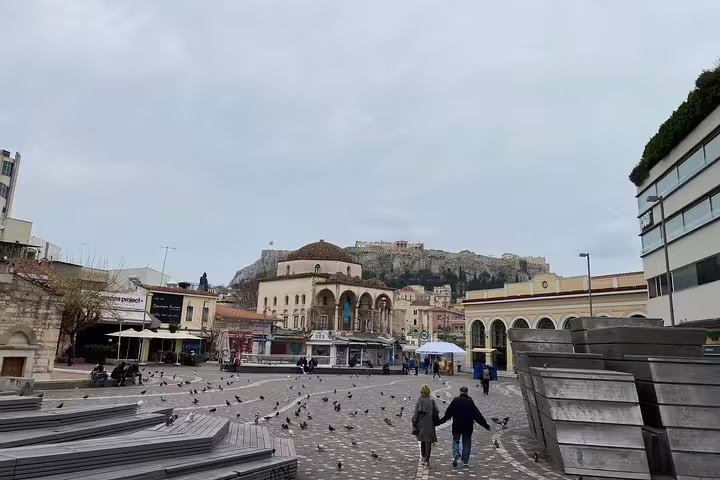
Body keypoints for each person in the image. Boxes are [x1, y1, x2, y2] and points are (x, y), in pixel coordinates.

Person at [439, 386, 491, 468]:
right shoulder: (470, 402)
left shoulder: (455, 400)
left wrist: (441, 421)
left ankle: (456, 453)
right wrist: (486, 425)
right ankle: (465, 460)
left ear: (460, 392)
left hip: (457, 425)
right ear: (467, 392)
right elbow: (477, 415)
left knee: (456, 440)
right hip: (468, 426)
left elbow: (448, 413)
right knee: (467, 442)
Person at [411, 385, 439, 467]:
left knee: (422, 440)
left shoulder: (419, 401)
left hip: (421, 424)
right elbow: (437, 411)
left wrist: (414, 423)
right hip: (430, 424)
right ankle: (427, 460)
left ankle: (423, 458)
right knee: (428, 442)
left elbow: (416, 415)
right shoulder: (432, 401)